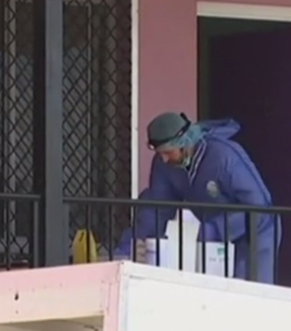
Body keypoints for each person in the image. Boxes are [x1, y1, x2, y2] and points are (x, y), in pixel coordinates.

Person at [116, 112, 281, 283]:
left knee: (252, 292)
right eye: (160, 153)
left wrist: (214, 230)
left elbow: (260, 207)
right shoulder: (164, 165)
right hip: (212, 236)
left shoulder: (224, 156)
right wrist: (130, 243)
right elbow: (157, 209)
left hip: (256, 231)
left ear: (184, 144)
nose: (164, 159)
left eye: (168, 152)